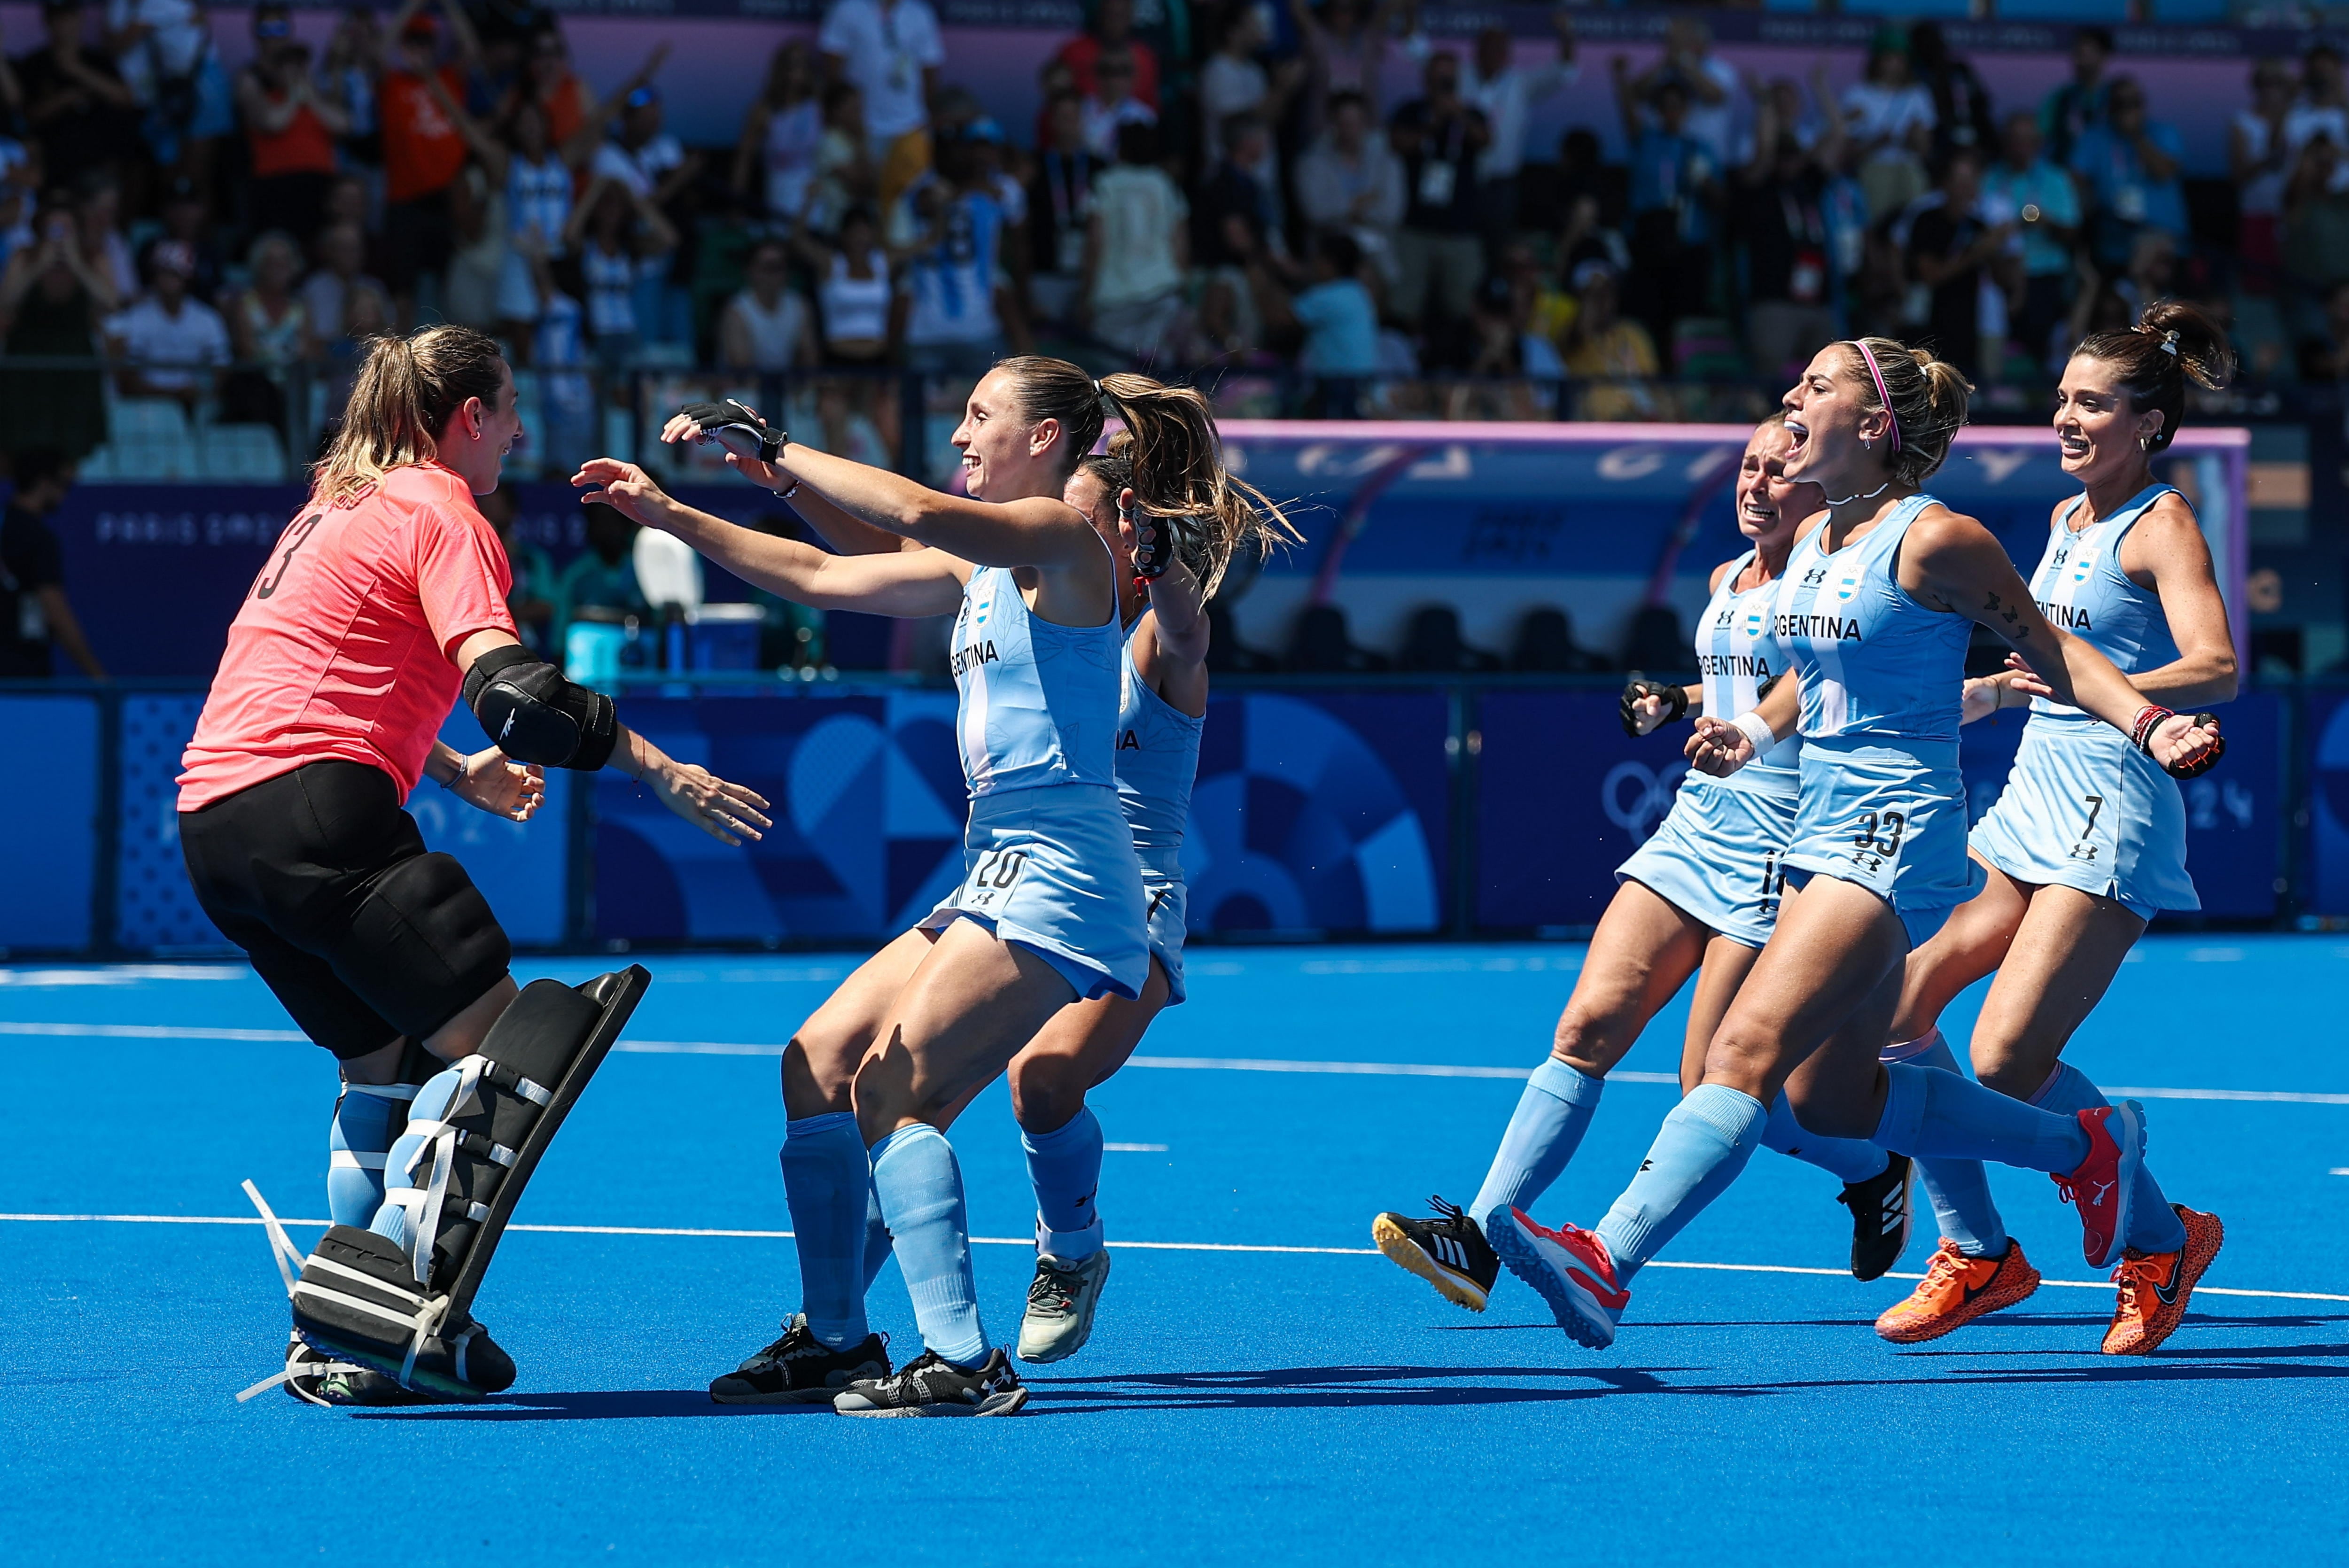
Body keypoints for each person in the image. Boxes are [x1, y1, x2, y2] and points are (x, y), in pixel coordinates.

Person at [1483, 337, 2223, 1351]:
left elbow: (2054, 655)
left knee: (1739, 1053)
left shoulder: (1935, 539)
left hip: (1894, 833)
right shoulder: (1821, 539)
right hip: (1821, 831)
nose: (1791, 397)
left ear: (1872, 426)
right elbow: (1809, 667)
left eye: (1816, 386)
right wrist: (1747, 728)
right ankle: (2085, 1145)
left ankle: (1607, 1259)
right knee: (1831, 1098)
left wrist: (2147, 721)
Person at [581, 358, 1274, 1415]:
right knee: (814, 1064)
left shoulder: (1060, 543)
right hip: (996, 867)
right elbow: (816, 575)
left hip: (1069, 870)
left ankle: (964, 1357)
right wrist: (672, 513)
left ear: (1046, 441)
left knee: (898, 1089)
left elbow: (906, 507)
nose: (958, 432)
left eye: (979, 415)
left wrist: (775, 449)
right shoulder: (976, 572)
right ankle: (836, 1339)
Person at [176, 324, 769, 1405]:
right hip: (320, 817)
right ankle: (382, 1300)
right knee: (512, 1049)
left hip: (216, 827)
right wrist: (663, 769)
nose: (522, 431)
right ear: (465, 420)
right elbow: (520, 696)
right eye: (509, 411)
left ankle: (334, 1325)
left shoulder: (335, 505)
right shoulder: (443, 509)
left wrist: (453, 773)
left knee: (381, 1060)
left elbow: (309, 680)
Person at [1372, 418, 1919, 1312]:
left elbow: (1814, 680)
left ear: (1821, 484)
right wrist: (1681, 697)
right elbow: (1745, 674)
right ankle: (1477, 1234)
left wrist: (1745, 729)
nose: (1757, 484)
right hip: (1696, 829)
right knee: (1587, 1024)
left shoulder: (1836, 586)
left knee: (1719, 1082)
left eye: (1780, 471)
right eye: (1748, 467)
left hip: (1784, 848)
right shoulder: (1725, 578)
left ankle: (1870, 1165)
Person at [1875, 304, 2237, 1356]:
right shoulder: (2066, 519)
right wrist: (2004, 691)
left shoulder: (2160, 523)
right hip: (2031, 796)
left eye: (2091, 403)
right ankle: (1977, 1251)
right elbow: (2055, 660)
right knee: (1895, 1013)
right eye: (2063, 399)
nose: (2065, 418)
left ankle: (2161, 1238)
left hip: (2111, 813)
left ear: (2150, 426)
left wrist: (2101, 693)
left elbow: (2214, 664)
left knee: (2002, 1057)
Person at [0, 200, 116, 460]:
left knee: (73, 444)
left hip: (74, 362)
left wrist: (76, 264)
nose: (61, 233)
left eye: (67, 227)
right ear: (41, 229)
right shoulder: (25, 255)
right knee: (25, 443)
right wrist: (40, 265)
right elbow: (7, 301)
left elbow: (110, 303)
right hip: (29, 362)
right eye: (54, 227)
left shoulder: (92, 257)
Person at [1389, 50, 1489, 342]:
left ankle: (1454, 361)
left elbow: (1485, 140)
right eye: (1437, 75)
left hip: (1460, 227)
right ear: (1426, 78)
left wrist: (1457, 115)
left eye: (1449, 76)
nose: (1443, 82)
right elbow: (1398, 143)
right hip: (1415, 225)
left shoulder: (1470, 112)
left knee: (1462, 304)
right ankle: (1408, 359)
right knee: (1407, 303)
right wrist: (1434, 122)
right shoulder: (1411, 110)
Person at [818, 0, 944, 214]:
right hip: (859, 129)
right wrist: (844, 121)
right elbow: (832, 73)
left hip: (909, 128)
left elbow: (930, 71)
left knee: (907, 208)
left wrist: (926, 122)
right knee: (859, 205)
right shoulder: (847, 9)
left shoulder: (920, 15)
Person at [238, 6, 350, 247]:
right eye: (266, 29)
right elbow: (271, 123)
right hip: (276, 187)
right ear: (256, 34)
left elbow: (343, 125)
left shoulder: (312, 90)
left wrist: (310, 96)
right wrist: (292, 96)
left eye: (280, 28)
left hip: (320, 186)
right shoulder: (250, 79)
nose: (274, 36)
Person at [1983, 111, 2081, 373]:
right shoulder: (1990, 178)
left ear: (2039, 144)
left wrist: (2045, 222)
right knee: (2001, 350)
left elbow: (2073, 232)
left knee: (2041, 351)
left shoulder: (2056, 179)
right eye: (2015, 140)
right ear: (2005, 143)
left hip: (2044, 276)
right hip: (1999, 278)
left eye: (2027, 141)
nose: (2021, 147)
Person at [1083, 118, 1187, 359]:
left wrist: (1086, 295)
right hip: (1162, 290)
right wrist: (1182, 283)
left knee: (1113, 377)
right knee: (1158, 378)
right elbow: (1180, 242)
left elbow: (1095, 243)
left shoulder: (1105, 183)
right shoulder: (1164, 184)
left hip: (1114, 297)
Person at [0, 446, 106, 678]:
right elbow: (55, 609)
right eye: (64, 485)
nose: (66, 494)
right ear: (44, 482)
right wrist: (96, 675)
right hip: (22, 675)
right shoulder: (38, 537)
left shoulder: (8, 525)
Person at [1905, 148, 2007, 382]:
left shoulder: (1979, 225)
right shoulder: (1927, 220)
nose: (1967, 188)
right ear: (1945, 183)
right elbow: (1931, 275)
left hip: (1970, 327)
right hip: (1928, 326)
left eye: (1972, 180)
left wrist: (1999, 248)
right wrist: (1975, 252)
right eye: (1960, 180)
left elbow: (2003, 280)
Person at [2069, 77, 2187, 276]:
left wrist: (2136, 135)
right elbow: (2074, 182)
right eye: (2121, 104)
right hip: (2113, 236)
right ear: (2110, 107)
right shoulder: (2094, 137)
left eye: (2134, 103)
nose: (2128, 110)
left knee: (2148, 248)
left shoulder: (2163, 132)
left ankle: (2136, 292)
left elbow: (2164, 172)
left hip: (2163, 235)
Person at [104, 239, 230, 413]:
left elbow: (221, 371)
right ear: (154, 276)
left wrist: (199, 391)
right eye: (164, 273)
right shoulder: (136, 319)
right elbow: (128, 376)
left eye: (176, 273)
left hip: (196, 407)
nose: (170, 280)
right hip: (147, 408)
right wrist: (166, 395)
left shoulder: (208, 319)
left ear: (188, 277)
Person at [1294, 88, 1403, 279]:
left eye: (1356, 123)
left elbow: (1392, 213)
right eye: (1345, 123)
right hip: (1330, 258)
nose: (1351, 129)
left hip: (1378, 258)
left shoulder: (1388, 162)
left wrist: (1340, 209)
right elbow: (1316, 212)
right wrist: (1364, 202)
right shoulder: (1311, 162)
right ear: (1333, 123)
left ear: (1366, 123)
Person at [734, 39, 824, 225]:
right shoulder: (763, 112)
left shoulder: (819, 106)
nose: (798, 70)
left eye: (803, 64)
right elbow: (744, 160)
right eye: (792, 64)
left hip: (815, 195)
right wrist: (736, 204)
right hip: (779, 192)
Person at [717, 237, 817, 372]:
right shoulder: (737, 310)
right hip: (742, 389)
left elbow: (810, 359)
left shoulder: (800, 305)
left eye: (779, 267)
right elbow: (742, 368)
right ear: (750, 270)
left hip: (788, 385)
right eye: (767, 267)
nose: (773, 275)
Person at [2040, 25, 2114, 168]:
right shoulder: (2060, 99)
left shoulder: (2117, 99)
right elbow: (2039, 137)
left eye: (2088, 54)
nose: (2081, 61)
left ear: (2104, 56)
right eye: (2078, 54)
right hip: (2066, 178)